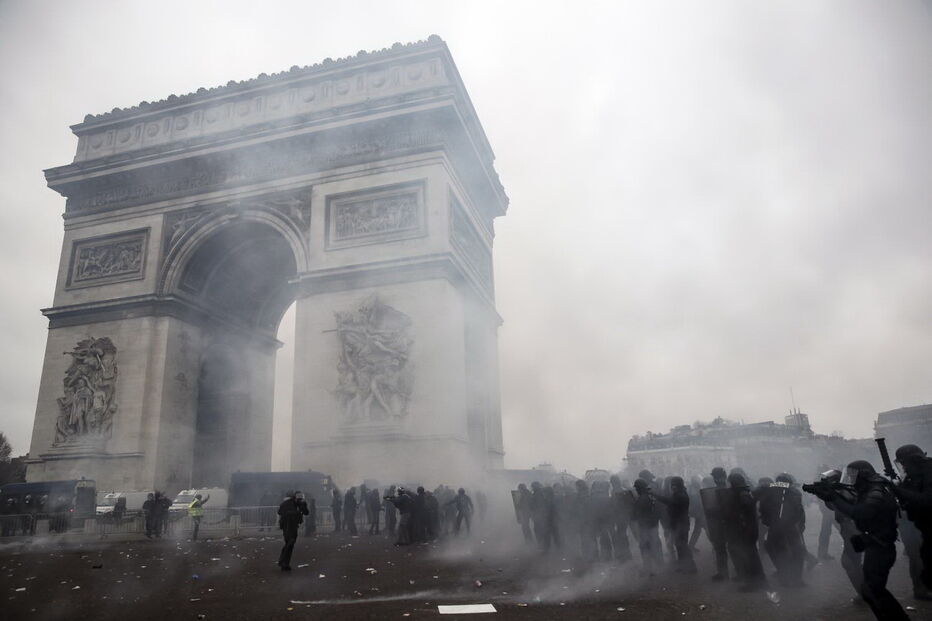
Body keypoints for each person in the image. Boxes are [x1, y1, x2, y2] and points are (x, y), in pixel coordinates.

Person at [812, 460, 910, 620]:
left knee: (873, 589)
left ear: (863, 475)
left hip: (880, 544)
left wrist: (834, 497)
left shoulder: (875, 491)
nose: (850, 479)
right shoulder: (867, 489)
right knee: (871, 589)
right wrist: (830, 495)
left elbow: (859, 512)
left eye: (853, 475)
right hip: (874, 542)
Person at [893, 444, 932, 595]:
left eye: (904, 463)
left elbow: (927, 499)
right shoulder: (915, 475)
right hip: (920, 525)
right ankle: (921, 588)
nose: (904, 467)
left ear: (914, 460)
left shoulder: (929, 471)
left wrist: (898, 490)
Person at [759, 473, 806, 587]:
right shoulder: (794, 492)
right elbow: (799, 511)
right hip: (790, 527)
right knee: (797, 553)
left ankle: (784, 578)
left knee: (779, 553)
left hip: (775, 528)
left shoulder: (768, 492)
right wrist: (797, 523)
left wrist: (769, 522)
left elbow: (763, 509)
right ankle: (797, 579)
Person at [727, 471, 767, 591]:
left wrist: (738, 517)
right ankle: (759, 581)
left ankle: (754, 583)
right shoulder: (743, 492)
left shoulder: (742, 494)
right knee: (751, 556)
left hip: (746, 530)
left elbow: (745, 508)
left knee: (749, 557)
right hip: (748, 529)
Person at [656, 476, 697, 573]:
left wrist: (655, 496)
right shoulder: (678, 493)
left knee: (683, 546)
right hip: (678, 524)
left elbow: (669, 502)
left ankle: (691, 567)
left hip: (681, 524)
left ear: (676, 485)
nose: (671, 486)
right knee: (679, 546)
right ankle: (683, 566)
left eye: (673, 484)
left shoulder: (680, 495)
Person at [632, 478, 663, 575]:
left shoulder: (641, 499)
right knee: (655, 545)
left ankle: (648, 569)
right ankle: (658, 565)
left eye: (637, 488)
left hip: (645, 527)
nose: (636, 490)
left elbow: (636, 515)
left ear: (639, 488)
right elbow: (658, 510)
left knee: (645, 547)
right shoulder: (651, 496)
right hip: (653, 525)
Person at [706, 467, 731, 581]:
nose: (716, 479)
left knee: (731, 548)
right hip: (721, 523)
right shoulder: (719, 489)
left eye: (717, 477)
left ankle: (736, 572)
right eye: (715, 477)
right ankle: (723, 572)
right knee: (721, 548)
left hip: (728, 522)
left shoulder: (730, 488)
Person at [277, 490, 309, 571]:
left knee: (289, 543)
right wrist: (298, 510)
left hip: (289, 526)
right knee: (290, 543)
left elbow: (306, 512)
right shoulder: (290, 503)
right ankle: (284, 562)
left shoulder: (290, 504)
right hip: (290, 526)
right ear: (294, 497)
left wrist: (303, 505)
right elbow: (305, 512)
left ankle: (284, 562)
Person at [609, 476, 633, 562]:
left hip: (619, 517)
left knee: (621, 536)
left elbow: (614, 506)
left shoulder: (615, 491)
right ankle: (627, 554)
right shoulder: (624, 490)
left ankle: (624, 555)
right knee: (623, 535)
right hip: (624, 516)